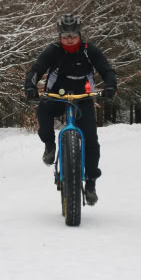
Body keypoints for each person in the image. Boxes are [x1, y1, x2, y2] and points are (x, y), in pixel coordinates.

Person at [24, 14, 117, 205]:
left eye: (73, 37)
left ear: (79, 35)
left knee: (91, 140)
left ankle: (90, 182)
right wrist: (30, 86)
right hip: (56, 96)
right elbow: (36, 70)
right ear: (59, 36)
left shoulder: (89, 51)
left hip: (82, 99)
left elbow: (107, 70)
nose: (69, 40)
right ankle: (50, 145)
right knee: (43, 111)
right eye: (65, 37)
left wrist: (110, 85)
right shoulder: (53, 51)